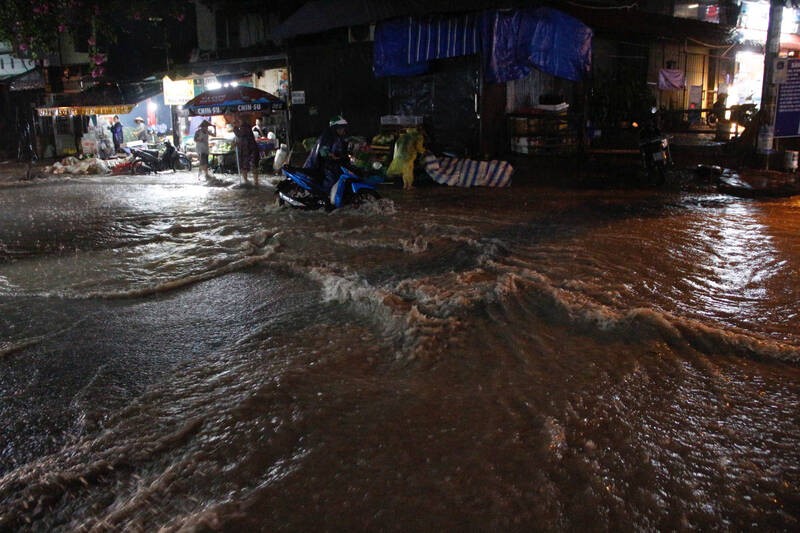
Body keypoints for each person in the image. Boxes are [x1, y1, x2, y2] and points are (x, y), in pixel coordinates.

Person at [304, 115, 350, 189]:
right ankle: (326, 196)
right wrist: (332, 156)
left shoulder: (338, 137)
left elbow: (340, 149)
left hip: (329, 164)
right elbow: (323, 151)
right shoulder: (327, 136)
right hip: (319, 165)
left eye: (343, 128)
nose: (343, 130)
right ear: (335, 128)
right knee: (331, 180)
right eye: (341, 128)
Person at [233, 116, 260, 186]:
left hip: (250, 150)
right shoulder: (244, 127)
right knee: (244, 166)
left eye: (238, 121)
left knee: (252, 166)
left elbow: (240, 134)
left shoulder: (245, 127)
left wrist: (234, 127)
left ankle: (254, 182)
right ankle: (247, 181)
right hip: (246, 150)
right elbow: (243, 138)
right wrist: (237, 143)